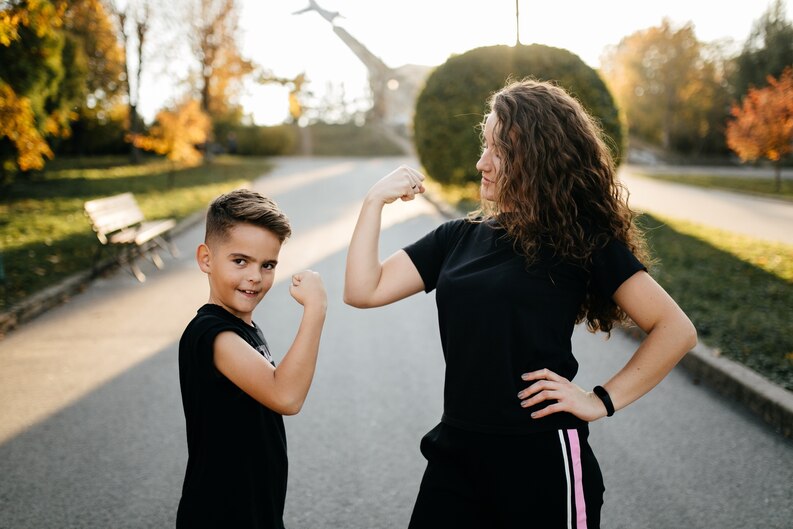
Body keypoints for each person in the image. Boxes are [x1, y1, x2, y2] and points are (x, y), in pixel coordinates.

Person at [343, 78, 697, 528]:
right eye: (483, 144)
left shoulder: (582, 242)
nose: (481, 162)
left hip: (542, 460)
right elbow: (362, 290)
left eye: (498, 149)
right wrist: (374, 200)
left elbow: (676, 329)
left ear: (536, 156)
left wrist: (598, 400)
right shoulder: (457, 238)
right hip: (457, 451)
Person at [176, 189, 327, 528]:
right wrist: (316, 309)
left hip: (255, 508)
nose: (255, 277)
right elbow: (286, 396)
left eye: (268, 265)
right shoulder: (212, 334)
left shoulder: (242, 327)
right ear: (206, 259)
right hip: (222, 514)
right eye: (240, 261)